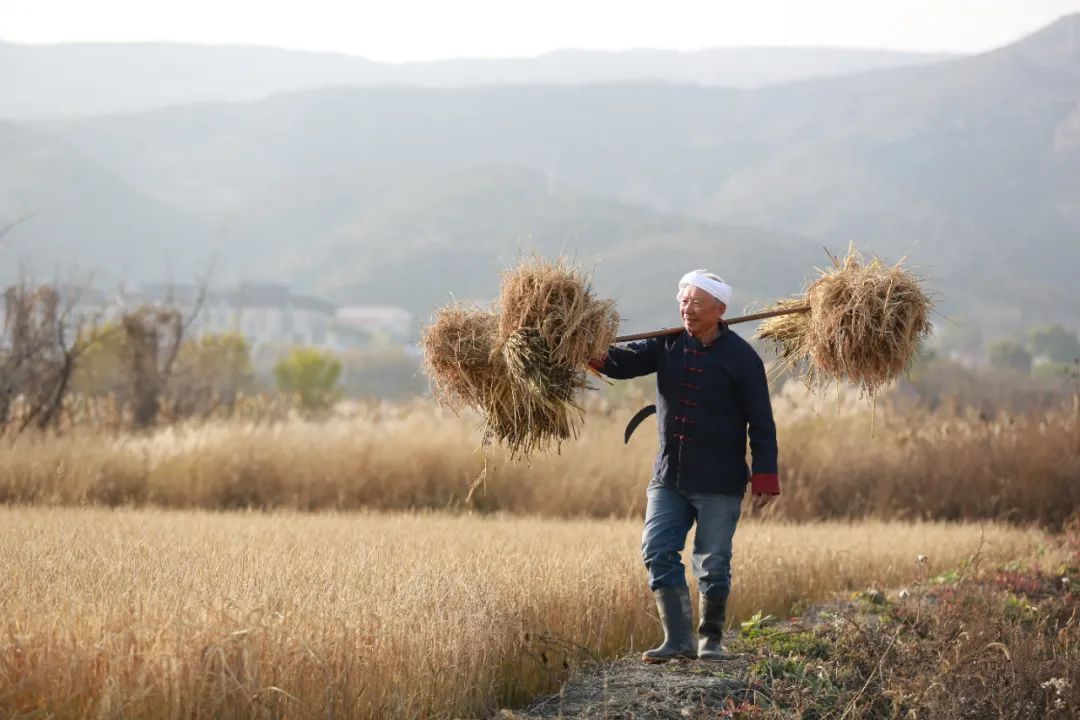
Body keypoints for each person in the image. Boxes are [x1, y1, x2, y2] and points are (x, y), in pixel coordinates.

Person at [589, 270, 779, 662]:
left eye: (695, 302)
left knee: (712, 562)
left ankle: (710, 640)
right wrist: (578, 347)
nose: (686, 308)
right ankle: (677, 640)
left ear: (719, 309)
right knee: (657, 550)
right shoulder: (667, 344)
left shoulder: (743, 360)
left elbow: (761, 423)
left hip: (720, 481)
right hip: (669, 477)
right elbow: (619, 364)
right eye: (683, 301)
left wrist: (765, 479)